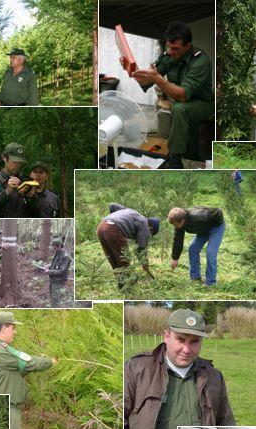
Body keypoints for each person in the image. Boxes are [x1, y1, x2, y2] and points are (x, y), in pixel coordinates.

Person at [124, 308, 236, 429]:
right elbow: (117, 420)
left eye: (194, 342)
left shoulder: (214, 377)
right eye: (181, 340)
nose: (187, 350)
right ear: (166, 336)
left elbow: (226, 424)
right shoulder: (135, 369)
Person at [131, 22, 213, 168]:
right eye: (168, 47)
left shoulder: (201, 61)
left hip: (203, 104)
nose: (170, 52)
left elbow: (182, 95)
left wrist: (159, 80)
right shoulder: (169, 55)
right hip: (183, 105)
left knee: (180, 108)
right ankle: (188, 158)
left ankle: (174, 161)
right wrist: (133, 71)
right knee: (188, 136)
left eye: (175, 48)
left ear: (188, 47)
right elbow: (147, 82)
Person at [0, 311, 56, 429]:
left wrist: (39, 358)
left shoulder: (0, 348)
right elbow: (28, 363)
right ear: (4, 328)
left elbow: (17, 369)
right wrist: (50, 361)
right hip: (8, 410)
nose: (15, 332)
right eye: (13, 328)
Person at [96, 203, 160, 289]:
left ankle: (122, 285)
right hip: (113, 229)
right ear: (151, 228)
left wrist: (113, 218)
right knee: (124, 260)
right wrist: (145, 264)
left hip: (101, 226)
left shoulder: (132, 212)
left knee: (113, 258)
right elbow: (141, 247)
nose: (149, 235)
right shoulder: (144, 224)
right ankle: (128, 288)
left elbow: (112, 206)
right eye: (151, 234)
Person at [168, 206, 225, 286]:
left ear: (182, 220)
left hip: (216, 227)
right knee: (193, 248)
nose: (175, 227)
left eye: (176, 225)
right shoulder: (179, 224)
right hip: (203, 229)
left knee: (210, 253)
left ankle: (210, 282)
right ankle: (195, 277)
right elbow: (178, 240)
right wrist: (175, 258)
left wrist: (213, 225)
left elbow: (218, 212)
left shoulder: (198, 216)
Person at [0, 143, 32, 217]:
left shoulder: (25, 181)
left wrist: (29, 197)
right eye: (14, 162)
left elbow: (35, 212)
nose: (17, 165)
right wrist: (6, 192)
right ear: (4, 158)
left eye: (20, 162)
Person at [45, 237, 70, 307]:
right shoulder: (58, 253)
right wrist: (49, 266)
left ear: (59, 246)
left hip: (58, 282)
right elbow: (56, 265)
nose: (53, 249)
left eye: (54, 247)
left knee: (55, 301)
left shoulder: (65, 256)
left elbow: (62, 271)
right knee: (53, 300)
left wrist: (49, 271)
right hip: (53, 281)